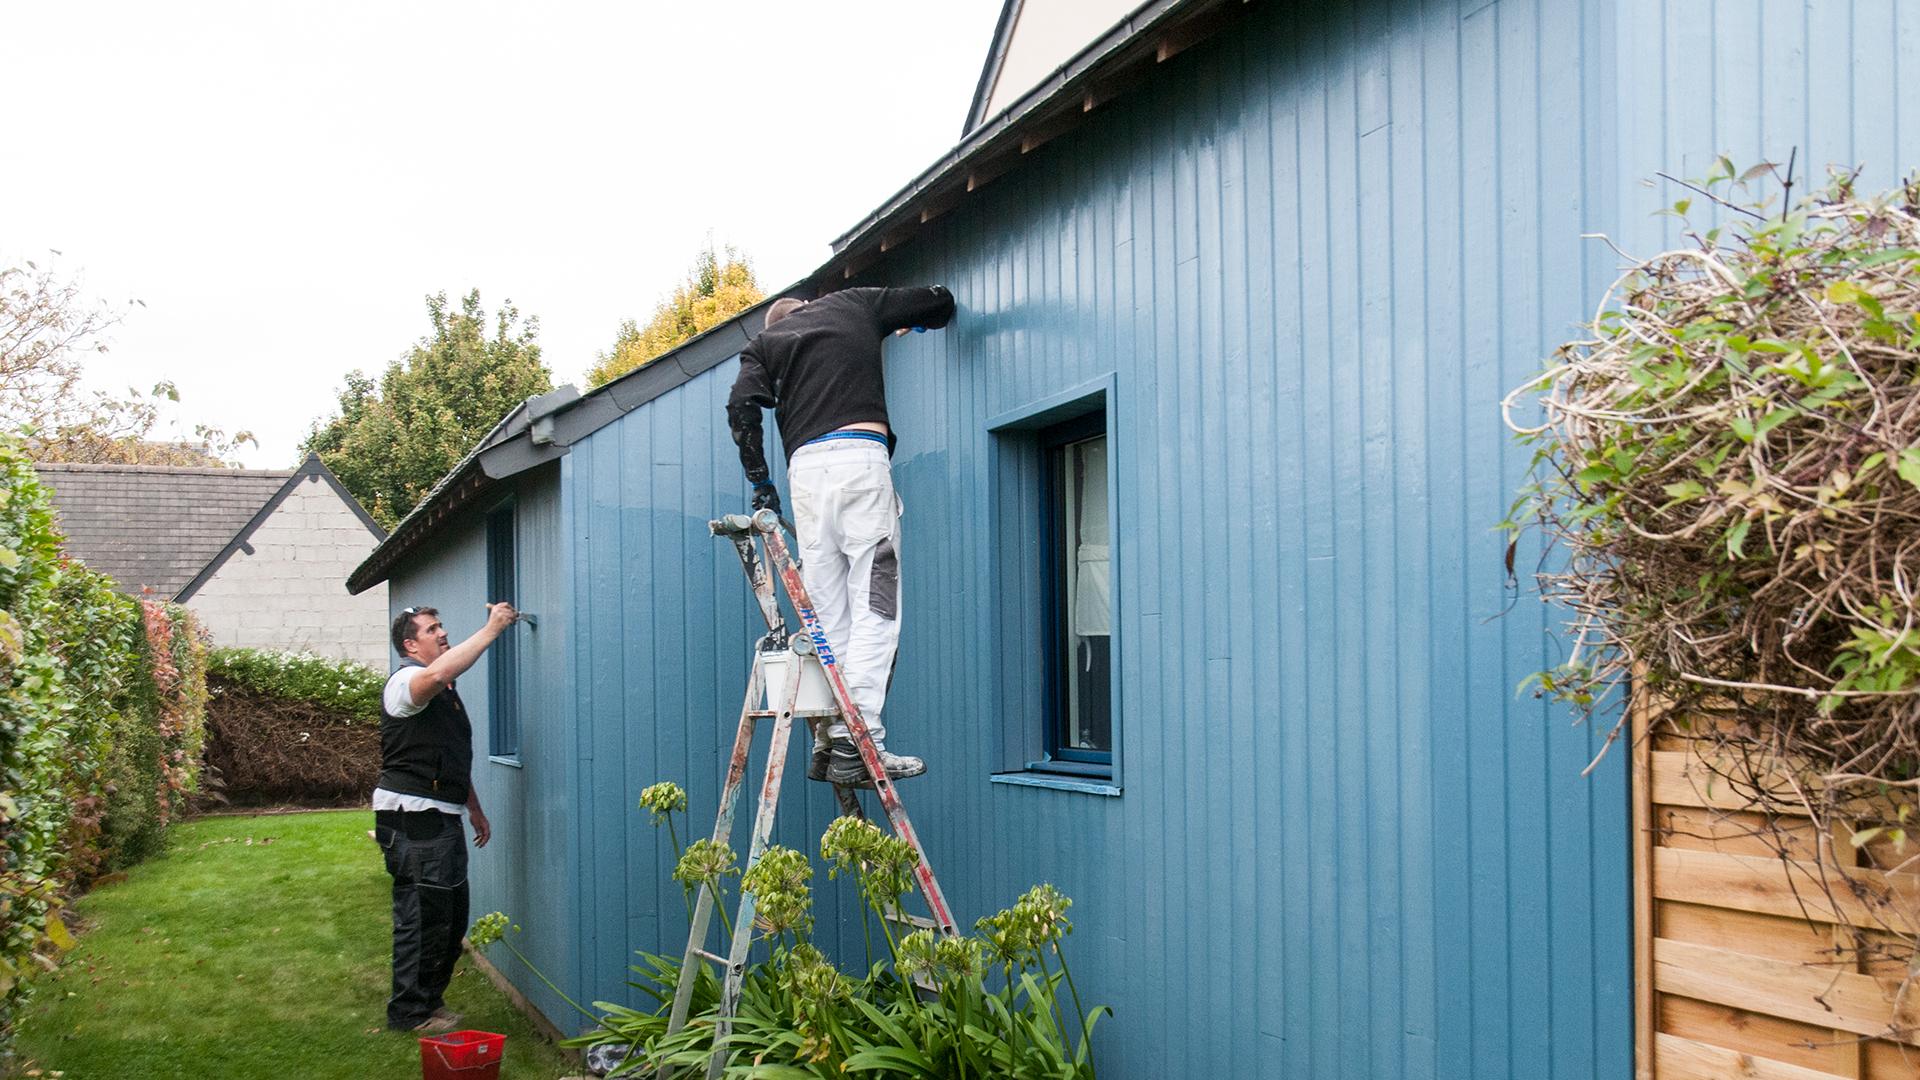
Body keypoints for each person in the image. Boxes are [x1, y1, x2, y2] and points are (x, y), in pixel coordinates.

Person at [727, 285, 955, 788]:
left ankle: (830, 738)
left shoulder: (766, 346)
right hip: (858, 458)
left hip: (804, 474)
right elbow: (939, 301)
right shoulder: (853, 305)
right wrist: (903, 323)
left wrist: (761, 485)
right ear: (810, 308)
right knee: (876, 602)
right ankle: (859, 739)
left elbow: (742, 406)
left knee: (827, 611)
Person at [374, 601, 517, 1033]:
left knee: (450, 918)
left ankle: (428, 1003)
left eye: (441, 625)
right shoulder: (405, 684)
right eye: (431, 629)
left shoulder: (443, 694)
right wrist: (492, 629)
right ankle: (408, 1012)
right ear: (409, 644)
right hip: (414, 819)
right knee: (422, 917)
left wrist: (472, 806)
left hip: (441, 815)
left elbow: (449, 753)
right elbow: (436, 674)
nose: (441, 632)